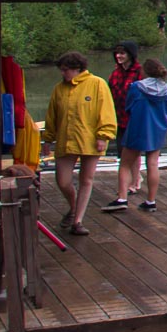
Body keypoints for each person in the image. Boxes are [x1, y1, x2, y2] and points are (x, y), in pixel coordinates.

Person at [45, 51, 116, 235]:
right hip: (66, 140)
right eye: (61, 70)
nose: (63, 73)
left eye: (65, 70)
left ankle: (78, 221)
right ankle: (73, 206)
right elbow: (52, 116)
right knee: (62, 181)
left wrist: (104, 135)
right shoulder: (59, 89)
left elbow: (106, 111)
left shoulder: (97, 84)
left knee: (86, 179)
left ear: (77, 69)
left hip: (90, 140)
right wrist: (48, 139)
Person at [120, 59, 167, 212]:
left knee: (125, 164)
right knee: (153, 164)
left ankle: (122, 198)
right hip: (158, 129)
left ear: (145, 71)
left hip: (139, 127)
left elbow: (128, 106)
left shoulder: (136, 87)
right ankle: (151, 200)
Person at [105, 40, 143, 208]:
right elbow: (109, 93)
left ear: (130, 55)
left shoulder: (139, 73)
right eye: (117, 53)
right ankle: (131, 181)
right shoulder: (115, 73)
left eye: (122, 53)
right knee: (123, 151)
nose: (119, 56)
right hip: (118, 117)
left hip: (134, 118)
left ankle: (134, 182)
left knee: (134, 151)